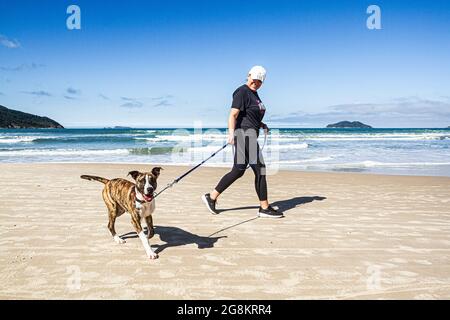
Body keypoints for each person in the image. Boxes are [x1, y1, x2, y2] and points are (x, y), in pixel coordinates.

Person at [202, 66, 283, 218]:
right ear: (248, 76)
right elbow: (233, 115)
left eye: (259, 81)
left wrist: (261, 124)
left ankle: (211, 197)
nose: (256, 82)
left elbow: (249, 115)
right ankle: (264, 208)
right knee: (260, 169)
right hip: (244, 136)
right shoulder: (242, 92)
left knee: (238, 170)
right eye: (254, 79)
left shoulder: (254, 94)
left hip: (249, 134)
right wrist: (231, 134)